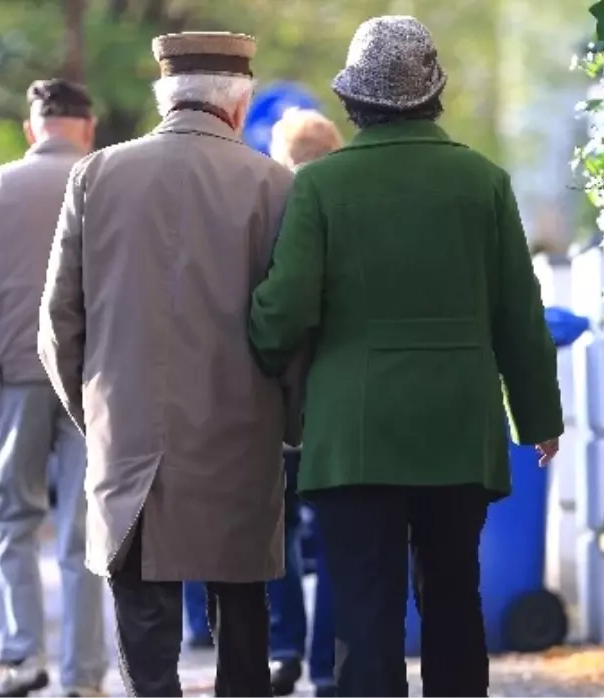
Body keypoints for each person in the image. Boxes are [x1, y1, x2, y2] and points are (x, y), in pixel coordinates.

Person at [248, 16, 564, 698]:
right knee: (453, 601)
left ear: (356, 99)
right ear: (433, 92)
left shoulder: (322, 186)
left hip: (354, 438)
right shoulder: (482, 182)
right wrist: (539, 414)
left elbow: (288, 308)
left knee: (365, 613)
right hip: (458, 431)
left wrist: (255, 349)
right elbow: (519, 312)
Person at [37, 32, 298, 698]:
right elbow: (295, 323)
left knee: (147, 647)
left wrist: (97, 412)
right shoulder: (277, 186)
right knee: (243, 628)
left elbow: (58, 324)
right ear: (239, 107)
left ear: (166, 96)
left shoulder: (95, 175)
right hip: (241, 440)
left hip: (130, 446)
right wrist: (291, 421)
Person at [0, 78, 107, 698]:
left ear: (29, 127)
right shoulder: (104, 181)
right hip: (92, 381)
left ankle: (22, 657)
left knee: (13, 517)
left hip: (15, 372)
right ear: (87, 127)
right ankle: (84, 676)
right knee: (85, 528)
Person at [264, 108, 342, 698]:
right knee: (341, 534)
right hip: (339, 402)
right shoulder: (350, 209)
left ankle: (285, 645)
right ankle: (326, 666)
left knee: (277, 530)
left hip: (273, 403)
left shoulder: (267, 210)